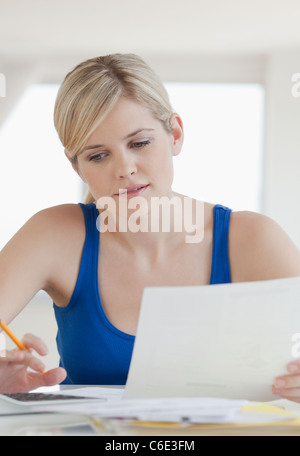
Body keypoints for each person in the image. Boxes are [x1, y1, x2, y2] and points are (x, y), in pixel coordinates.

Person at [0, 53, 300, 399]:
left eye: (139, 143)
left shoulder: (251, 239)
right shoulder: (55, 235)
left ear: (174, 134)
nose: (125, 168)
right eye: (98, 155)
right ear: (77, 167)